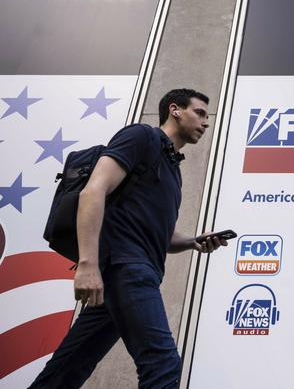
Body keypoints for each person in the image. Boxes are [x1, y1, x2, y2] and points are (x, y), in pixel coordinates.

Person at [30, 88, 227, 388]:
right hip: (126, 268)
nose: (205, 122)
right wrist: (87, 264)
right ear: (175, 110)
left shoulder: (173, 171)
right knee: (162, 364)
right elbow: (93, 190)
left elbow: (160, 235)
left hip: (132, 274)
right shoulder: (141, 137)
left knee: (68, 368)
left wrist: (193, 241)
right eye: (199, 113)